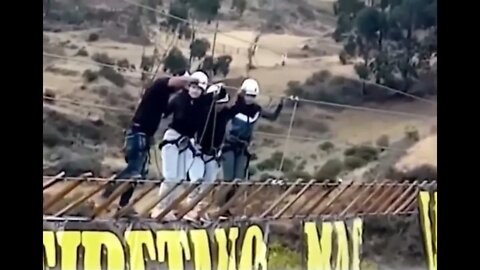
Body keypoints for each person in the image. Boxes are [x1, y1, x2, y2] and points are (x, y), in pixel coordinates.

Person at [99, 74, 196, 214]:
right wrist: (193, 80)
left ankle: (123, 206)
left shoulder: (165, 96)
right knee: (135, 171)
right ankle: (107, 192)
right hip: (138, 133)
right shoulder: (160, 84)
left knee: (139, 172)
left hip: (144, 135)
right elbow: (176, 81)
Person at [151, 71, 233, 221]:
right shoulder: (179, 99)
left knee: (181, 178)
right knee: (171, 177)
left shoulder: (202, 104)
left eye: (198, 88)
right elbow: (163, 112)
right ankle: (160, 208)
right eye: (192, 87)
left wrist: (218, 89)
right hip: (173, 138)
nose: (195, 91)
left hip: (187, 142)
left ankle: (169, 208)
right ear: (188, 87)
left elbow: (214, 98)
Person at [219, 78, 284, 217]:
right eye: (248, 95)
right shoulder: (234, 107)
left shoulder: (256, 110)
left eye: (252, 96)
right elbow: (220, 118)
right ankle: (221, 208)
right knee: (228, 179)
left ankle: (229, 209)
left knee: (238, 181)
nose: (249, 98)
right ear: (243, 93)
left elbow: (272, 117)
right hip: (229, 146)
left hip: (243, 148)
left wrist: (280, 105)